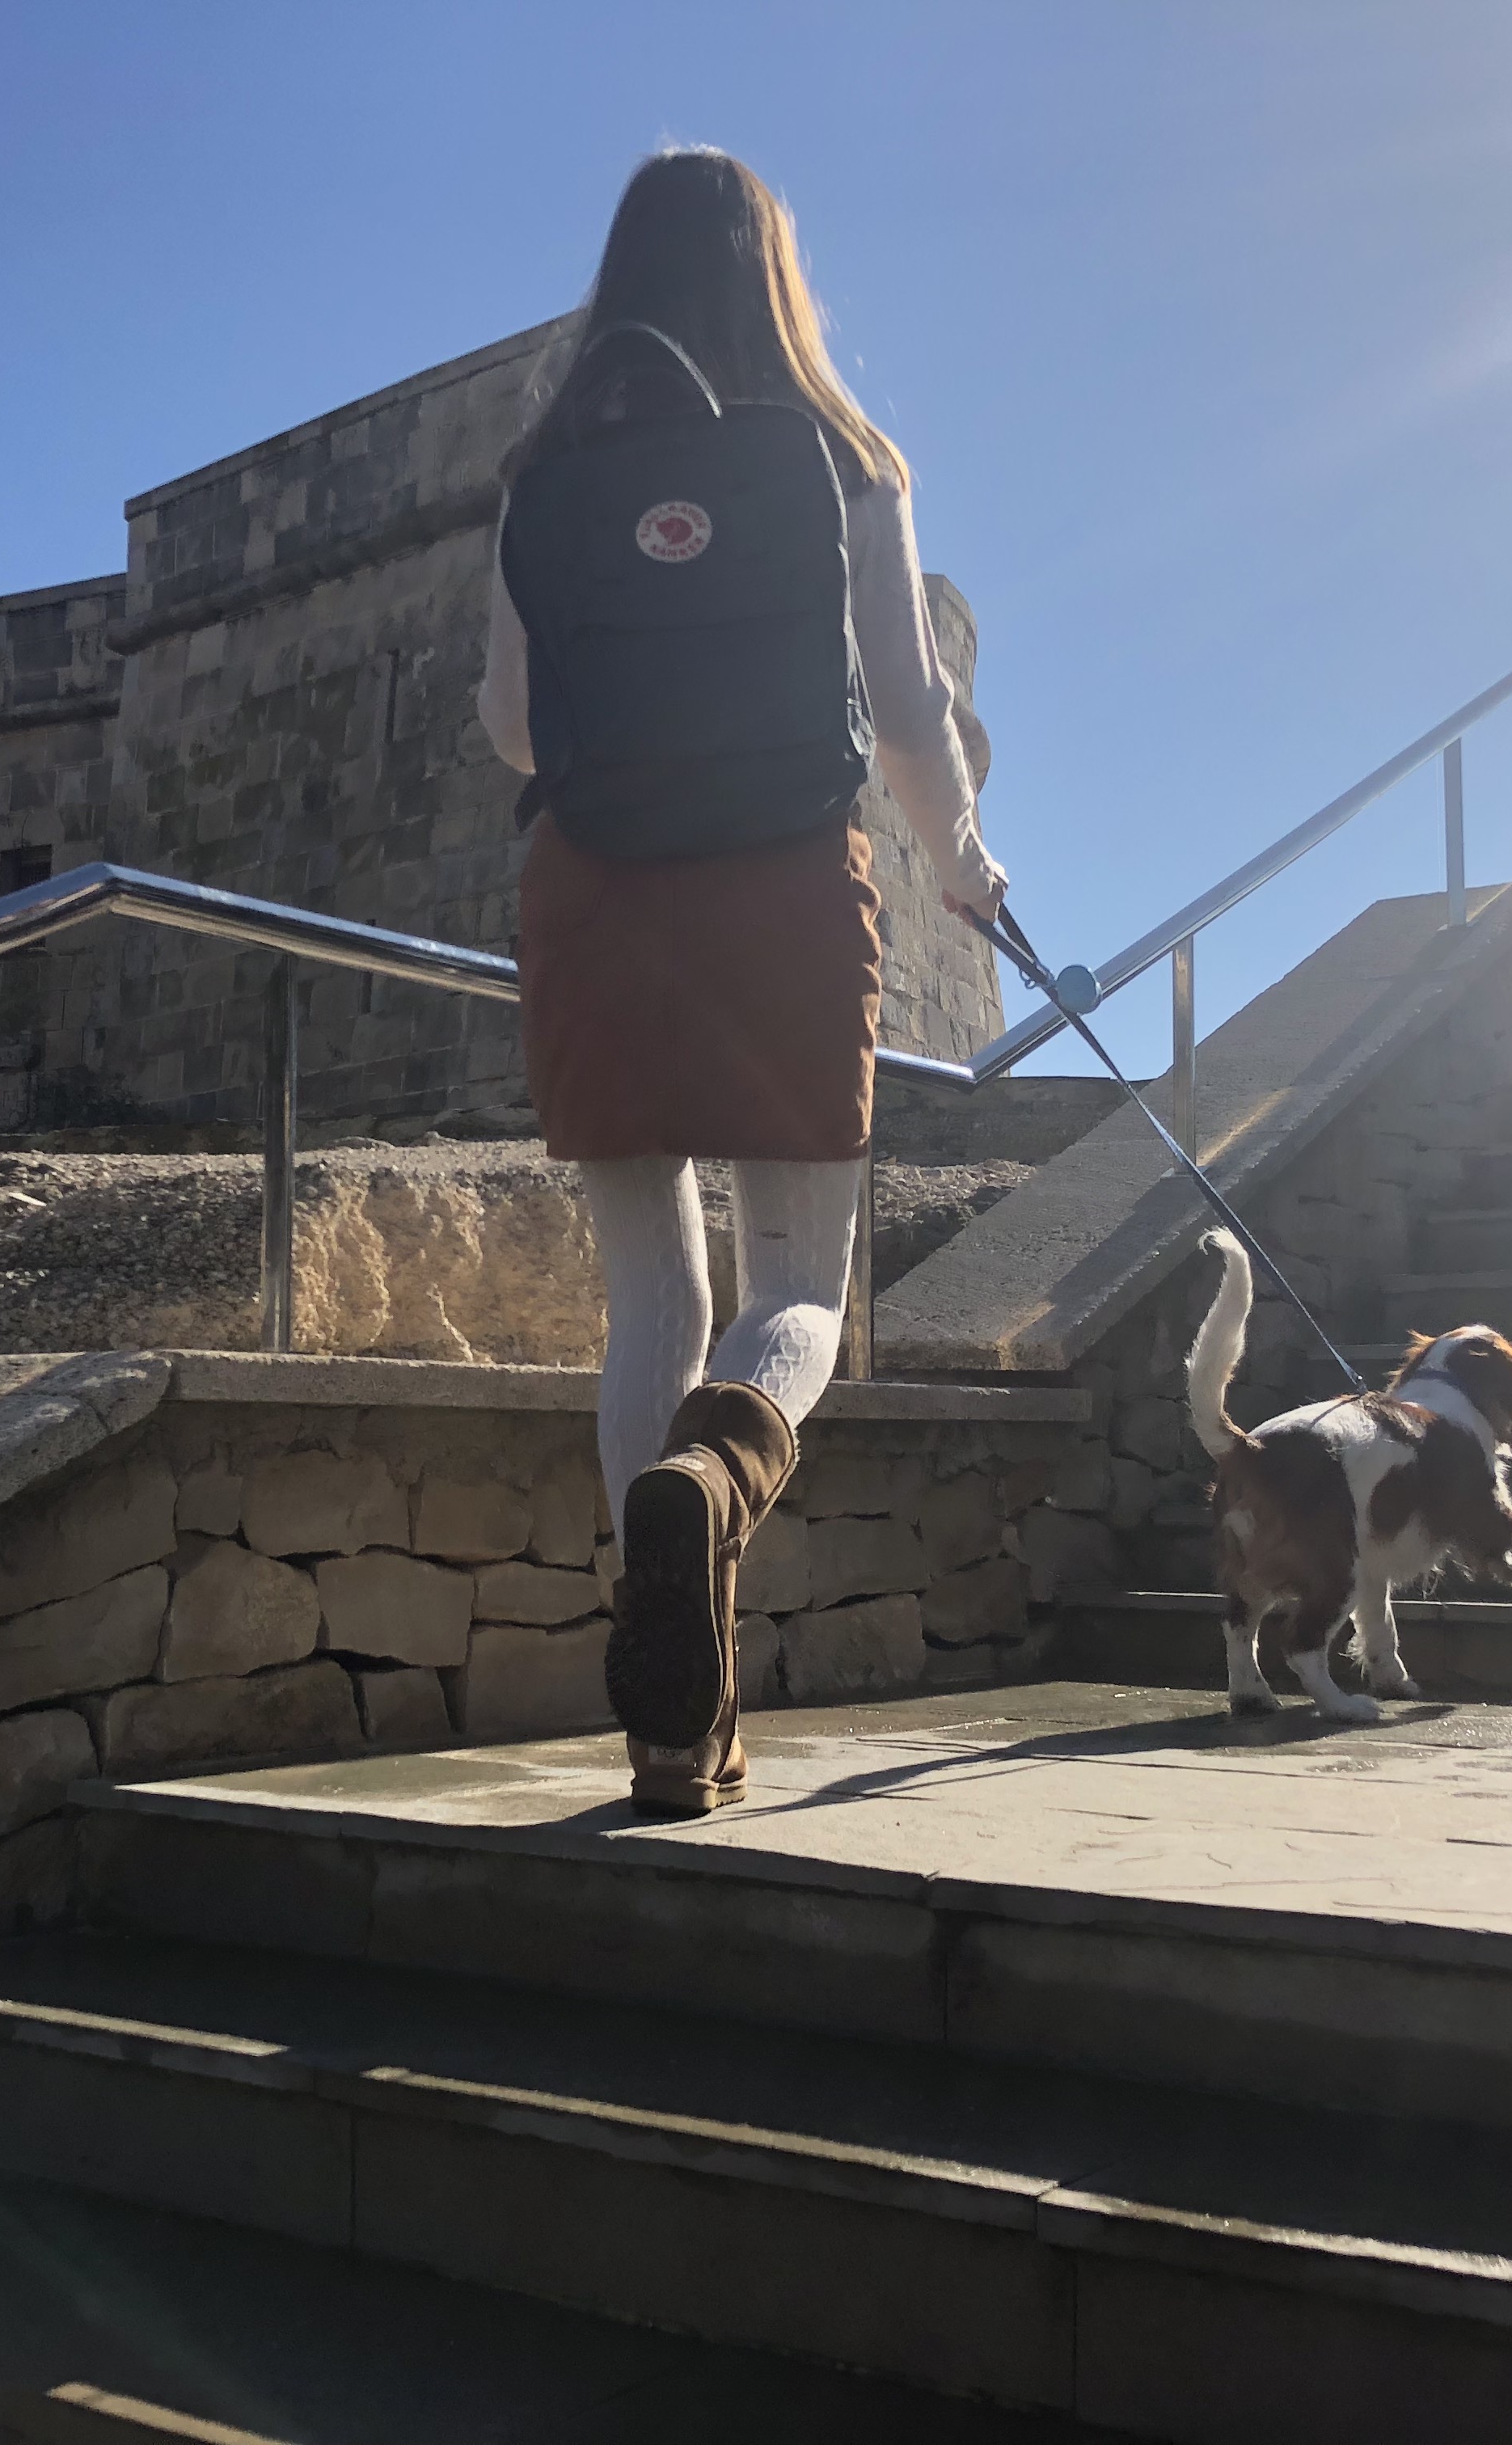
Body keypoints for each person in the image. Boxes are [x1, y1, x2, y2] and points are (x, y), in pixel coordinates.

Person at [479, 148, 1007, 1819]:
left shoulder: (546, 466)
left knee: (653, 1294)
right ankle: (716, 1478)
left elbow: (511, 723)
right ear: (774, 273)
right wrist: (962, 865)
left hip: (598, 891)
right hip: (783, 885)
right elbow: (910, 708)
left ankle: (661, 1723)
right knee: (799, 1297)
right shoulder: (846, 457)